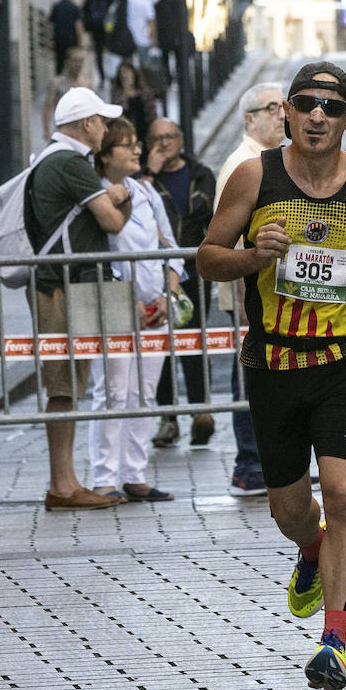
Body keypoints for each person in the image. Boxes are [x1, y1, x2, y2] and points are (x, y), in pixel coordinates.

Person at [197, 61, 346, 690]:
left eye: (331, 105)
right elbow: (207, 257)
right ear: (286, 112)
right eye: (305, 103)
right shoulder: (253, 176)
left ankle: (334, 644)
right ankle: (310, 551)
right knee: (292, 510)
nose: (318, 115)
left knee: (345, 497)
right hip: (275, 365)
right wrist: (252, 255)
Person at [29, 87, 133, 511]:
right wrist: (121, 196)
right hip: (65, 286)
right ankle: (63, 482)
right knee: (65, 383)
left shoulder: (57, 159)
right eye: (102, 122)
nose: (106, 129)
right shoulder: (69, 162)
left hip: (74, 283)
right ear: (87, 123)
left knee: (73, 383)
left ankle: (68, 480)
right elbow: (111, 223)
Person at [87, 118, 183, 502]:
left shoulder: (146, 193)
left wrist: (167, 295)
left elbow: (171, 249)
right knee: (111, 391)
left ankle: (135, 473)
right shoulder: (94, 192)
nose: (137, 150)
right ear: (106, 153)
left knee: (143, 392)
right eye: (126, 145)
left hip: (152, 308)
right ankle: (104, 478)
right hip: (113, 304)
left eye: (135, 143)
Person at [214, 83, 285, 496]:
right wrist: (243, 295)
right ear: (249, 119)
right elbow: (234, 237)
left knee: (269, 376)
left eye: (282, 107)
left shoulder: (269, 161)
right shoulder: (241, 165)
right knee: (249, 376)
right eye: (271, 108)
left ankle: (271, 463)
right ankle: (249, 463)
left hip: (271, 292)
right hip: (249, 292)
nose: (281, 115)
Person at [144, 117, 216, 448]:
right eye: (157, 138)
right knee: (162, 346)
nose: (164, 143)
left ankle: (201, 411)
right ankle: (168, 418)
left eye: (170, 136)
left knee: (193, 340)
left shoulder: (200, 174)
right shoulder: (141, 178)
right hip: (153, 273)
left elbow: (193, 208)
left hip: (191, 270)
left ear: (181, 139)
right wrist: (149, 174)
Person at [111, 60, 158, 150]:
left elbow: (152, 115)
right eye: (122, 72)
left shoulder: (145, 92)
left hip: (144, 132)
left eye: (127, 71)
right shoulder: (117, 94)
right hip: (125, 134)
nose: (125, 75)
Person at [82, 0, 115, 91]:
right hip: (107, 30)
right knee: (109, 54)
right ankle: (111, 77)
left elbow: (84, 12)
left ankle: (102, 78)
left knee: (99, 54)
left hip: (95, 29)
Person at [48, 0, 84, 76]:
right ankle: (71, 80)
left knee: (59, 62)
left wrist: (49, 40)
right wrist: (80, 42)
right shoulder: (75, 7)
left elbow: (50, 26)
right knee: (73, 61)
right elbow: (78, 25)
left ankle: (60, 82)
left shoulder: (56, 7)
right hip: (72, 40)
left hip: (59, 39)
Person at [155, 0, 183, 87]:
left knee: (166, 61)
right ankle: (176, 79)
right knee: (177, 61)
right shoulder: (174, 2)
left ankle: (169, 80)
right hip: (173, 38)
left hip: (165, 39)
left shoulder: (158, 5)